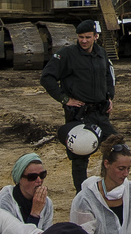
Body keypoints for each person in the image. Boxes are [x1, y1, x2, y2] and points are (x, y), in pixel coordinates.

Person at [41, 20, 117, 191]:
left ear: (96, 36)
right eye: (81, 37)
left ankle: (109, 188)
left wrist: (109, 97)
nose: (84, 41)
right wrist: (64, 99)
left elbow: (108, 76)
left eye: (88, 37)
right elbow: (46, 78)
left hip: (100, 113)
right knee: (80, 156)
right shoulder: (67, 55)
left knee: (117, 148)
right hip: (78, 114)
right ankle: (82, 195)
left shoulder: (101, 53)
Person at [68, 142, 131, 234]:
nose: (125, 174)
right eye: (121, 169)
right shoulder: (85, 198)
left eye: (128, 169)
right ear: (107, 164)